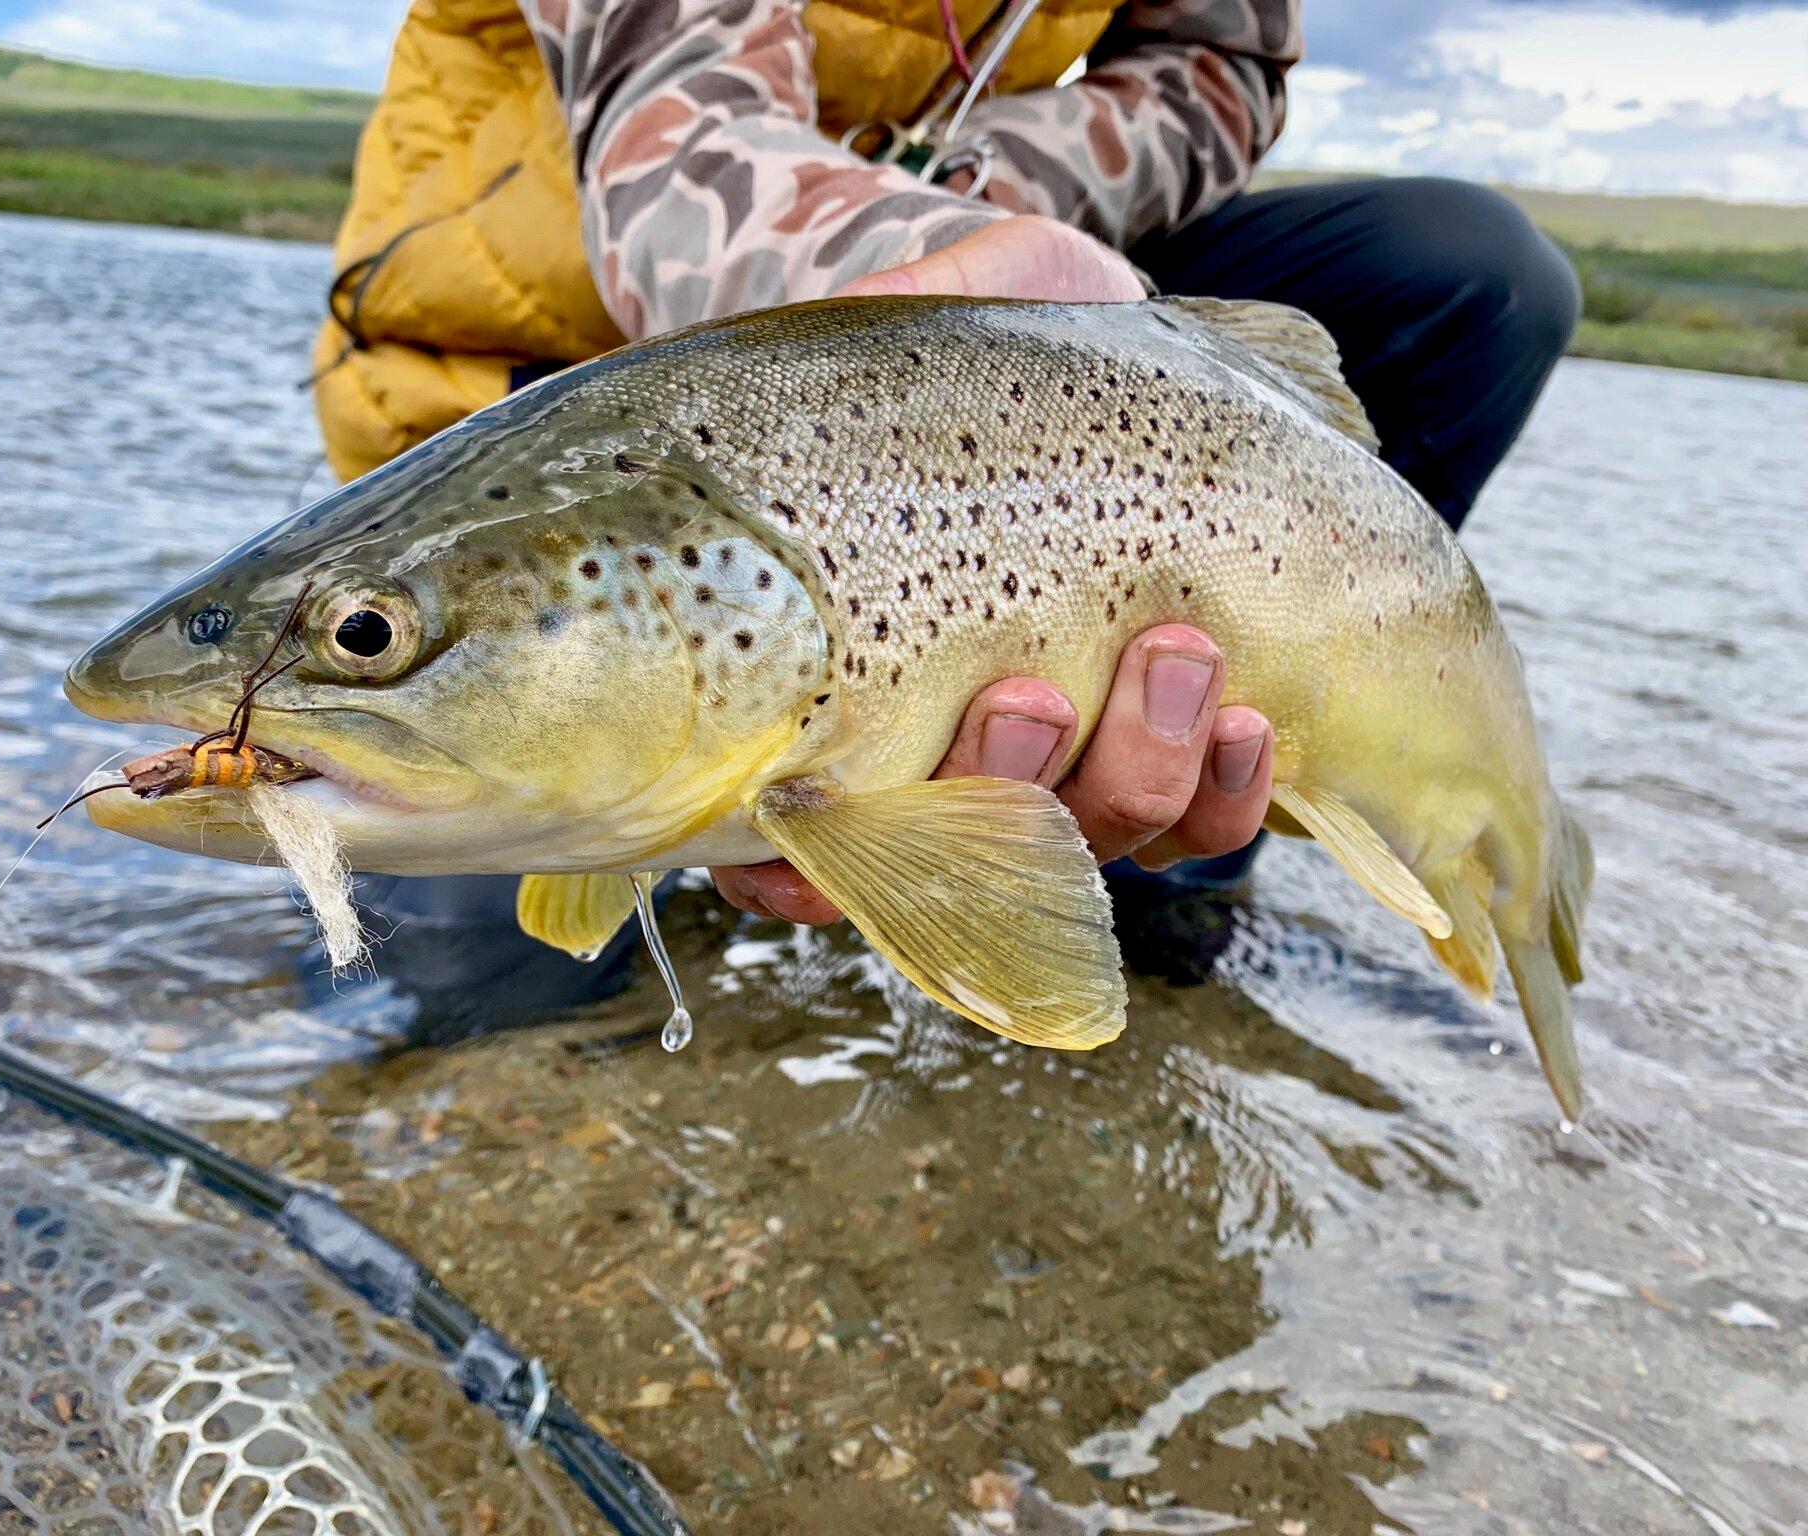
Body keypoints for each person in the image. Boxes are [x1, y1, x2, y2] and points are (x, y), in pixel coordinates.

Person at [314, 0, 1578, 960]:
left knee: (1464, 271)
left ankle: (1178, 796)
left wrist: (994, 220)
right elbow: (675, 151)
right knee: (485, 1006)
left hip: (973, 368)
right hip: (544, 405)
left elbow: (1213, 75)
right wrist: (951, 259)